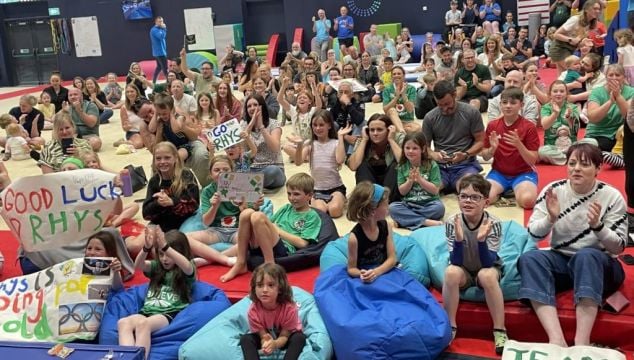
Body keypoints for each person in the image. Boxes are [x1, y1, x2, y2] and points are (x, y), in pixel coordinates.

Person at [518, 143, 626, 346]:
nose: (576, 168)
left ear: (598, 168)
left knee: (586, 255)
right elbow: (532, 234)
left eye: (584, 164)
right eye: (572, 163)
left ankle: (581, 341)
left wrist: (599, 227)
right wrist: (550, 218)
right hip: (563, 259)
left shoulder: (611, 196)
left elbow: (618, 247)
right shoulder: (553, 191)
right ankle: (556, 339)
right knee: (530, 259)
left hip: (601, 265)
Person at [442, 174, 508, 354]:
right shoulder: (452, 222)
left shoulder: (493, 223)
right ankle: (450, 326)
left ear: (486, 202)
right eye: (463, 196)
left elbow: (489, 262)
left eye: (475, 197)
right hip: (463, 268)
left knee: (486, 275)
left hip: (486, 267)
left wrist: (480, 241)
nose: (468, 201)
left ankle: (500, 330)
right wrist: (457, 239)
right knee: (450, 272)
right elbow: (455, 261)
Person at [220, 173, 322, 282]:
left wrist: (278, 230)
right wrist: (250, 207)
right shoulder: (286, 208)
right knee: (246, 213)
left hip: (284, 249)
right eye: (289, 194)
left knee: (257, 216)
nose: (292, 198)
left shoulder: (312, 216)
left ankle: (270, 265)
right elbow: (264, 225)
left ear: (310, 195)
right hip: (264, 243)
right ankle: (241, 262)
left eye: (296, 194)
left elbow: (303, 243)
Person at [118, 228, 195, 359]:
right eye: (161, 254)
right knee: (123, 322)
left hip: (167, 314)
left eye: (169, 255)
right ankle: (127, 358)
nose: (165, 259)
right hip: (147, 312)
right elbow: (138, 266)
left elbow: (187, 266)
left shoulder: (185, 269)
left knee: (144, 325)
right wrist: (146, 248)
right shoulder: (157, 267)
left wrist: (166, 247)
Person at [184, 155, 255, 267]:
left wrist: (243, 206)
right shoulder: (207, 191)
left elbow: (248, 218)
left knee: (253, 241)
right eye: (217, 170)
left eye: (226, 170)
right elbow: (206, 222)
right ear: (211, 174)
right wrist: (214, 206)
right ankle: (224, 258)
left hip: (238, 229)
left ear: (233, 172)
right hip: (216, 230)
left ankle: (212, 259)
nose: (221, 173)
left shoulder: (243, 186)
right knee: (183, 239)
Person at [423, 80, 484, 194]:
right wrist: (433, 154)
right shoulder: (430, 117)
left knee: (468, 192)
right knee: (426, 192)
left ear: (455, 95)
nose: (444, 109)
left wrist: (466, 154)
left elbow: (480, 142)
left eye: (447, 104)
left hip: (465, 165)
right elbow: (424, 147)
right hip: (440, 168)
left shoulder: (471, 112)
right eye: (440, 105)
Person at [481, 88, 539, 209]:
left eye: (513, 103)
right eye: (505, 102)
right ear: (500, 104)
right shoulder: (493, 125)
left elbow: (532, 160)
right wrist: (492, 149)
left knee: (528, 201)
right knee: (483, 199)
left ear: (521, 105)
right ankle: (502, 191)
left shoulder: (529, 127)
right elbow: (485, 156)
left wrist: (519, 144)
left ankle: (514, 189)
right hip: (499, 173)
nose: (508, 106)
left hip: (523, 173)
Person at [137, 142, 199, 254]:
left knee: (173, 248)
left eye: (167, 158)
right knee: (136, 247)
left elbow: (194, 205)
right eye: (158, 158)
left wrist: (172, 202)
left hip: (185, 221)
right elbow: (146, 214)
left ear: (175, 158)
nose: (162, 162)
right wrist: (158, 204)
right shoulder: (154, 181)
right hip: (162, 223)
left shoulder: (186, 175)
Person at [240, 263, 306, 360]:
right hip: (268, 337)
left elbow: (284, 336)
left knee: (299, 338)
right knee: (245, 339)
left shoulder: (289, 309)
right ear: (254, 288)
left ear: (280, 288)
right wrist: (265, 344)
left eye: (270, 285)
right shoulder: (253, 311)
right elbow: (262, 335)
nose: (265, 290)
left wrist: (275, 344)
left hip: (286, 338)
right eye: (260, 285)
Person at [293, 110, 347, 218]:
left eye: (321, 125)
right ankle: (320, 202)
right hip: (317, 189)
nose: (317, 128)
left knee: (334, 211)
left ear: (329, 126)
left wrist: (340, 137)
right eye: (315, 125)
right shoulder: (310, 144)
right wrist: (299, 145)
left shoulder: (335, 143)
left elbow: (340, 160)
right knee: (320, 212)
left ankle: (340, 201)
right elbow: (298, 162)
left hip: (335, 187)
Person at [389, 131, 444, 229]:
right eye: (407, 148)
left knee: (439, 208)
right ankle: (424, 222)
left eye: (415, 148)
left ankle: (407, 221)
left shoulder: (432, 165)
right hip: (409, 204)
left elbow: (435, 190)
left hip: (429, 204)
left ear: (422, 149)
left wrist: (420, 179)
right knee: (392, 208)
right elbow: (402, 192)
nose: (410, 151)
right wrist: (409, 181)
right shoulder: (402, 166)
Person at [348, 111, 405, 202]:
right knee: (362, 166)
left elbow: (405, 163)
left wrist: (391, 140)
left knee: (396, 166)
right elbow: (353, 166)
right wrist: (364, 140)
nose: (375, 133)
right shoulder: (363, 139)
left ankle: (387, 201)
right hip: (371, 181)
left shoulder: (398, 138)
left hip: (390, 183)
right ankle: (368, 200)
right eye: (372, 130)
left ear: (388, 130)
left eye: (379, 130)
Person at [346, 182, 396, 282]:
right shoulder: (354, 238)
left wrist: (376, 272)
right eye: (386, 205)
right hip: (366, 276)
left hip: (384, 271)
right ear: (373, 210)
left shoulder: (386, 226)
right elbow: (351, 269)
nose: (388, 207)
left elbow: (392, 259)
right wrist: (363, 274)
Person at [586, 64, 634, 151]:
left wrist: (618, 96)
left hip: (621, 133)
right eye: (611, 75)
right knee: (597, 146)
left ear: (623, 77)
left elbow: (629, 117)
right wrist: (610, 102)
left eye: (618, 75)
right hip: (599, 133)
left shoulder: (631, 92)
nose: (614, 78)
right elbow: (593, 118)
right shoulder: (597, 92)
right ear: (606, 77)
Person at [242, 94, 286, 190]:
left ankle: (246, 186)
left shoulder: (274, 124)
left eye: (255, 105)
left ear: (262, 106)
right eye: (249, 106)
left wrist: (261, 126)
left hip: (273, 168)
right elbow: (241, 150)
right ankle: (251, 185)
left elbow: (275, 148)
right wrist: (251, 124)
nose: (252, 108)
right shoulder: (243, 125)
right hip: (252, 169)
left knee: (272, 171)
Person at [549, 0, 603, 74]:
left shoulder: (589, 23)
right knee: (574, 72)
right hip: (559, 48)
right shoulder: (575, 19)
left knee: (563, 76)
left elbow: (577, 42)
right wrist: (571, 40)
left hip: (569, 49)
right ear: (586, 9)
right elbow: (556, 34)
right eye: (595, 8)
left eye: (599, 9)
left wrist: (583, 43)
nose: (597, 11)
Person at [278, 77, 321, 160]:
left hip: (310, 141)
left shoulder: (312, 111)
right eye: (299, 98)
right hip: (298, 142)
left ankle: (299, 157)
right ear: (297, 102)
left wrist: (314, 88)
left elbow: (319, 105)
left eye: (304, 98)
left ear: (309, 102)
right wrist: (283, 86)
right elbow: (280, 99)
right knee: (286, 147)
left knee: (312, 147)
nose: (301, 99)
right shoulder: (293, 111)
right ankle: (304, 157)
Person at [539, 80, 581, 165]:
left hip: (571, 146)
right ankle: (571, 159)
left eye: (562, 91)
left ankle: (567, 158)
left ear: (566, 94)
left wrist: (569, 118)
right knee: (541, 151)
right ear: (550, 94)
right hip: (553, 147)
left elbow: (576, 129)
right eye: (555, 91)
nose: (558, 94)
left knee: (592, 142)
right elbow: (545, 126)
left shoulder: (572, 107)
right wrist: (555, 114)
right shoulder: (546, 108)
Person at [148, 93, 199, 161]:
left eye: (164, 113)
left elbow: (176, 129)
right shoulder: (160, 119)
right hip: (170, 148)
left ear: (171, 109)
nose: (162, 116)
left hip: (184, 146)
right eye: (159, 113)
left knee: (177, 157)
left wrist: (171, 114)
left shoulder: (179, 117)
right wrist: (155, 114)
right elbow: (151, 129)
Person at [64, 87, 101, 152]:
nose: (72, 97)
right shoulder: (68, 108)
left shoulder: (91, 106)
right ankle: (80, 148)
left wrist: (79, 111)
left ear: (81, 96)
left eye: (75, 94)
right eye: (70, 95)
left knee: (96, 142)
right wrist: (63, 112)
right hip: (74, 136)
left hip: (89, 136)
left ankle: (77, 149)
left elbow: (91, 124)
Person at [382, 66, 418, 131]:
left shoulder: (411, 88)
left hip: (407, 121)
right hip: (392, 121)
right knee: (392, 110)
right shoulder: (387, 89)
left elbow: (410, 110)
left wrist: (404, 95)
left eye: (399, 73)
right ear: (392, 77)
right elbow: (385, 110)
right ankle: (402, 132)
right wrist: (396, 97)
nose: (396, 75)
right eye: (394, 74)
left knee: (418, 128)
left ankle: (399, 130)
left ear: (404, 76)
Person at [149, 16, 168, 83]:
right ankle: (169, 82)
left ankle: (154, 81)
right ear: (156, 22)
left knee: (159, 67)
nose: (161, 23)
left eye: (162, 21)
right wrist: (164, 29)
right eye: (159, 21)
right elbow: (161, 37)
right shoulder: (154, 30)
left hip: (160, 52)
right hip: (159, 53)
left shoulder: (159, 29)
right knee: (165, 68)